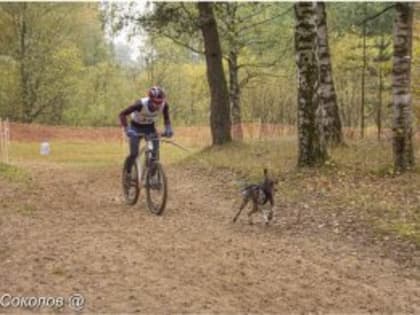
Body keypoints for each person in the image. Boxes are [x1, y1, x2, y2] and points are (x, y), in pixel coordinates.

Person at [119, 86, 173, 172]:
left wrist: (168, 129)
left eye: (160, 102)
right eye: (156, 102)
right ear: (150, 100)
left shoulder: (164, 105)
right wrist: (127, 129)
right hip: (135, 128)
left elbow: (166, 118)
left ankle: (152, 175)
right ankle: (128, 172)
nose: (158, 105)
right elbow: (122, 114)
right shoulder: (140, 104)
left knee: (155, 153)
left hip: (150, 128)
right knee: (134, 154)